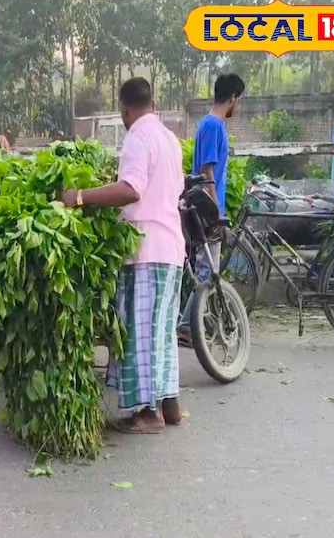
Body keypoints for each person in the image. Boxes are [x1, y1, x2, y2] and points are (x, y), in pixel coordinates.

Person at [60, 77, 185, 434]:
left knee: (139, 333)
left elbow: (131, 189)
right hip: (172, 248)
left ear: (125, 109)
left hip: (146, 247)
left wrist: (80, 197)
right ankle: (169, 404)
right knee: (161, 331)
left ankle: (148, 414)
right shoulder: (168, 138)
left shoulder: (137, 137)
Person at [177, 73, 245, 348]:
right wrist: (216, 210)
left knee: (207, 267)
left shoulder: (209, 124)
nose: (237, 107)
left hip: (203, 204)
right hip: (207, 206)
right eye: (238, 101)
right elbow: (207, 171)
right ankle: (186, 326)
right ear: (232, 99)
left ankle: (194, 324)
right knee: (208, 269)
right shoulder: (214, 126)